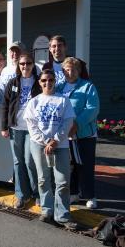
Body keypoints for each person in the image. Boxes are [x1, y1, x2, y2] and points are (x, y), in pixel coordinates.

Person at [24, 69, 77, 229]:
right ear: (39, 83)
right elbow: (32, 126)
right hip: (39, 145)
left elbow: (68, 122)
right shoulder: (34, 102)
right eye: (44, 80)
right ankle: (47, 210)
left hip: (60, 146)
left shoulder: (63, 100)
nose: (47, 83)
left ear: (55, 81)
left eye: (51, 80)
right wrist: (47, 141)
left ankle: (62, 215)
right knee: (43, 179)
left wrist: (55, 141)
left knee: (62, 181)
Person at [56, 57, 100, 209]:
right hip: (66, 135)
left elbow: (92, 109)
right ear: (63, 71)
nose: (70, 72)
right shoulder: (59, 87)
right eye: (67, 69)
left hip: (84, 134)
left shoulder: (88, 86)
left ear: (79, 71)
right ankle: (74, 193)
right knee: (72, 166)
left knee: (86, 166)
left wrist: (77, 124)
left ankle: (90, 196)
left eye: (73, 69)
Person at [1, 53, 41, 208]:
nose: (25, 66)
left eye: (28, 63)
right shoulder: (13, 82)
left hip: (33, 129)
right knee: (18, 162)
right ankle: (21, 195)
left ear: (33, 65)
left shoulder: (39, 82)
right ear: (19, 66)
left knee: (30, 161)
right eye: (22, 64)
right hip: (15, 128)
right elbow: (5, 106)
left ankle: (36, 193)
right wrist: (4, 126)